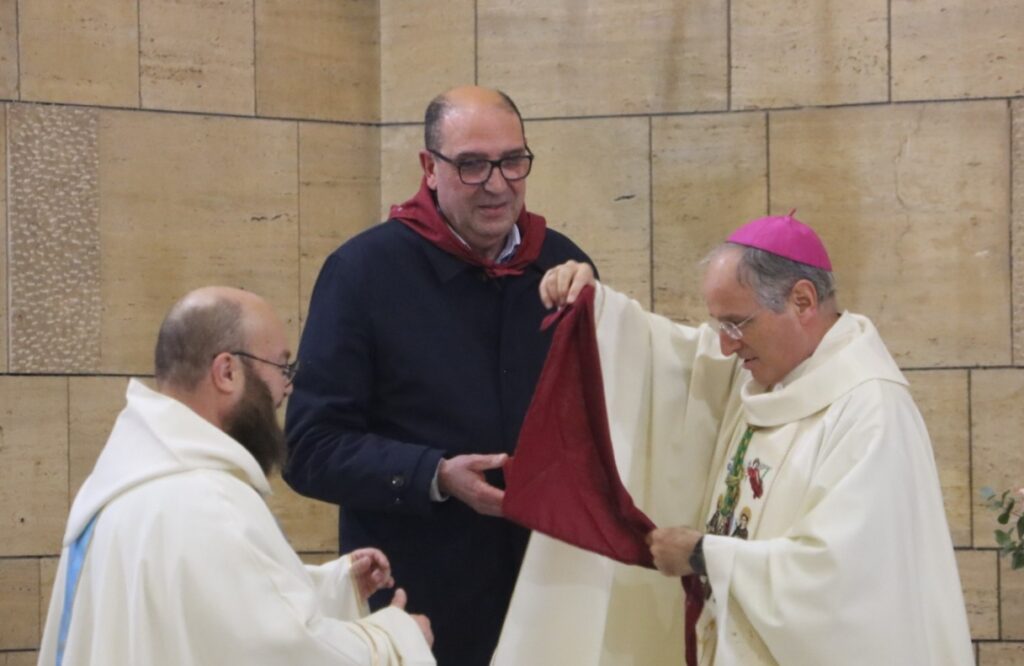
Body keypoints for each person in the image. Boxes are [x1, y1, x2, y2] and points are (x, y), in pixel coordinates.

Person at [494, 212, 973, 665]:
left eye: (737, 324)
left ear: (802, 301)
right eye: (718, 325)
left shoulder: (870, 410)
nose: (725, 344)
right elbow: (675, 361)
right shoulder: (764, 379)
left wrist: (705, 555)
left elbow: (849, 586)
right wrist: (597, 308)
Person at [283, 85, 595, 665]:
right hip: (422, 605)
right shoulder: (362, 274)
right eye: (472, 164)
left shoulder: (563, 265)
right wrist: (434, 473)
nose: (498, 183)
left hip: (550, 597)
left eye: (512, 161)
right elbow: (308, 448)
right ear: (429, 168)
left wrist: (607, 315)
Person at [38, 287, 435, 666]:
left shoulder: (126, 482)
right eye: (281, 366)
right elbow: (279, 651)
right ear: (227, 372)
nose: (288, 386)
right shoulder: (207, 503)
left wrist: (334, 588)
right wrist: (395, 640)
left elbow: (207, 619)